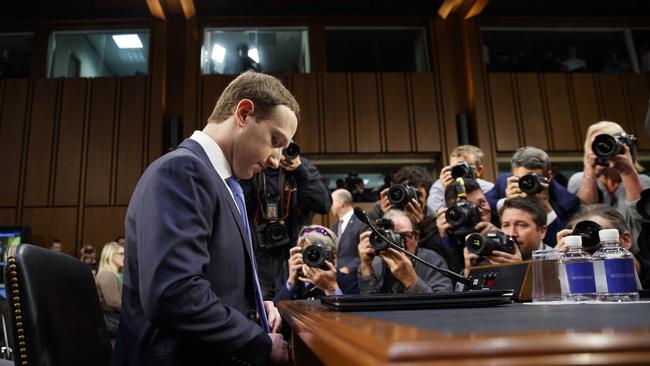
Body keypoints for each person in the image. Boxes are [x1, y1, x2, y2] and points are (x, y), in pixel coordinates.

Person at [114, 71, 299, 366]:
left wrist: (253, 308)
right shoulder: (184, 171)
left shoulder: (220, 182)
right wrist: (258, 342)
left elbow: (211, 280)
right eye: (275, 140)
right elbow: (174, 293)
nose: (277, 159)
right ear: (244, 113)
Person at [241, 153, 331, 301]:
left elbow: (323, 204)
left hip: (298, 251)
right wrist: (253, 165)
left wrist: (300, 170)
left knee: (303, 308)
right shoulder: (255, 166)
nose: (280, 149)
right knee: (267, 309)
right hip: (262, 254)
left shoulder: (303, 166)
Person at [567, 121, 650, 253]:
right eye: (596, 144)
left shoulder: (643, 181)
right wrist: (590, 172)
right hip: (592, 252)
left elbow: (642, 217)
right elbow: (582, 216)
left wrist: (627, 171)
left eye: (608, 142)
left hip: (637, 253)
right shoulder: (578, 180)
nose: (603, 148)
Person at [486, 146, 580, 247]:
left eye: (532, 178)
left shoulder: (567, 200)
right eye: (520, 180)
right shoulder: (505, 182)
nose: (526, 184)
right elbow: (483, 204)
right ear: (512, 174)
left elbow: (562, 243)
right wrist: (508, 202)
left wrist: (546, 207)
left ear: (549, 176)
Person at [358, 209, 453, 294]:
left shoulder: (433, 262)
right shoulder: (375, 264)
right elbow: (369, 306)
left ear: (416, 239)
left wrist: (411, 281)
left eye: (406, 235)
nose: (400, 242)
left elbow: (442, 306)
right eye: (392, 236)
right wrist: (366, 267)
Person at [463, 197, 550, 277]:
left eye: (521, 225)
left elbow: (551, 292)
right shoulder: (491, 256)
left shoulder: (556, 262)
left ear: (542, 231)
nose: (512, 233)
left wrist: (521, 271)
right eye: (506, 225)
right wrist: (469, 273)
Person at [273, 225, 358, 302]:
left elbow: (353, 318)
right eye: (309, 253)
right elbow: (273, 314)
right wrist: (291, 283)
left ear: (334, 257)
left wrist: (332, 289)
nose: (314, 257)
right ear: (299, 254)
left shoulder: (349, 282)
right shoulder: (288, 280)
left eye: (319, 253)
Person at [368, 166, 439, 252]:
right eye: (405, 193)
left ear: (427, 198)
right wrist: (384, 219)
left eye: (417, 194)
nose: (409, 199)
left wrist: (419, 226)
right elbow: (371, 244)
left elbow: (428, 254)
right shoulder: (379, 209)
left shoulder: (431, 219)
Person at [436, 179, 500, 274]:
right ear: (455, 216)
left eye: (482, 202)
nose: (480, 211)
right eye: (470, 208)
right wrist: (446, 242)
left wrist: (501, 238)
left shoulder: (503, 225)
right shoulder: (447, 242)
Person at [427, 145, 494, 214]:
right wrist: (448, 192)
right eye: (455, 168)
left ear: (478, 170)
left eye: (464, 167)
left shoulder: (488, 188)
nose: (460, 172)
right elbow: (438, 217)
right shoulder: (439, 188)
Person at [96, 242, 124, 338]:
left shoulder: (116, 275)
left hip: (115, 318)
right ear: (110, 256)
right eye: (121, 254)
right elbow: (114, 302)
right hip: (111, 319)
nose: (124, 256)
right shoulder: (107, 274)